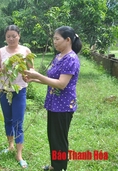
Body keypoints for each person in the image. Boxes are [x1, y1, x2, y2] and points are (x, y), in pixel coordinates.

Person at [24, 26, 82, 171]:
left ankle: (60, 168)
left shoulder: (71, 58)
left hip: (63, 106)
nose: (54, 42)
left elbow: (61, 84)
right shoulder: (59, 56)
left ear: (67, 40)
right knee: (53, 137)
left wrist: (37, 75)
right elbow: (51, 79)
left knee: (59, 140)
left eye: (57, 39)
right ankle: (54, 166)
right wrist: (34, 80)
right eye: (53, 39)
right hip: (53, 104)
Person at [0, 25, 34, 169]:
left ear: (19, 36)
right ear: (5, 37)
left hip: (20, 90)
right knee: (8, 120)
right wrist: (5, 68)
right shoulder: (1, 51)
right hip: (4, 90)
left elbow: (32, 69)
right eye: (8, 36)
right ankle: (10, 145)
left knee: (18, 122)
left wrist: (27, 75)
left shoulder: (25, 51)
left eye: (14, 36)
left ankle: (19, 154)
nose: (11, 39)